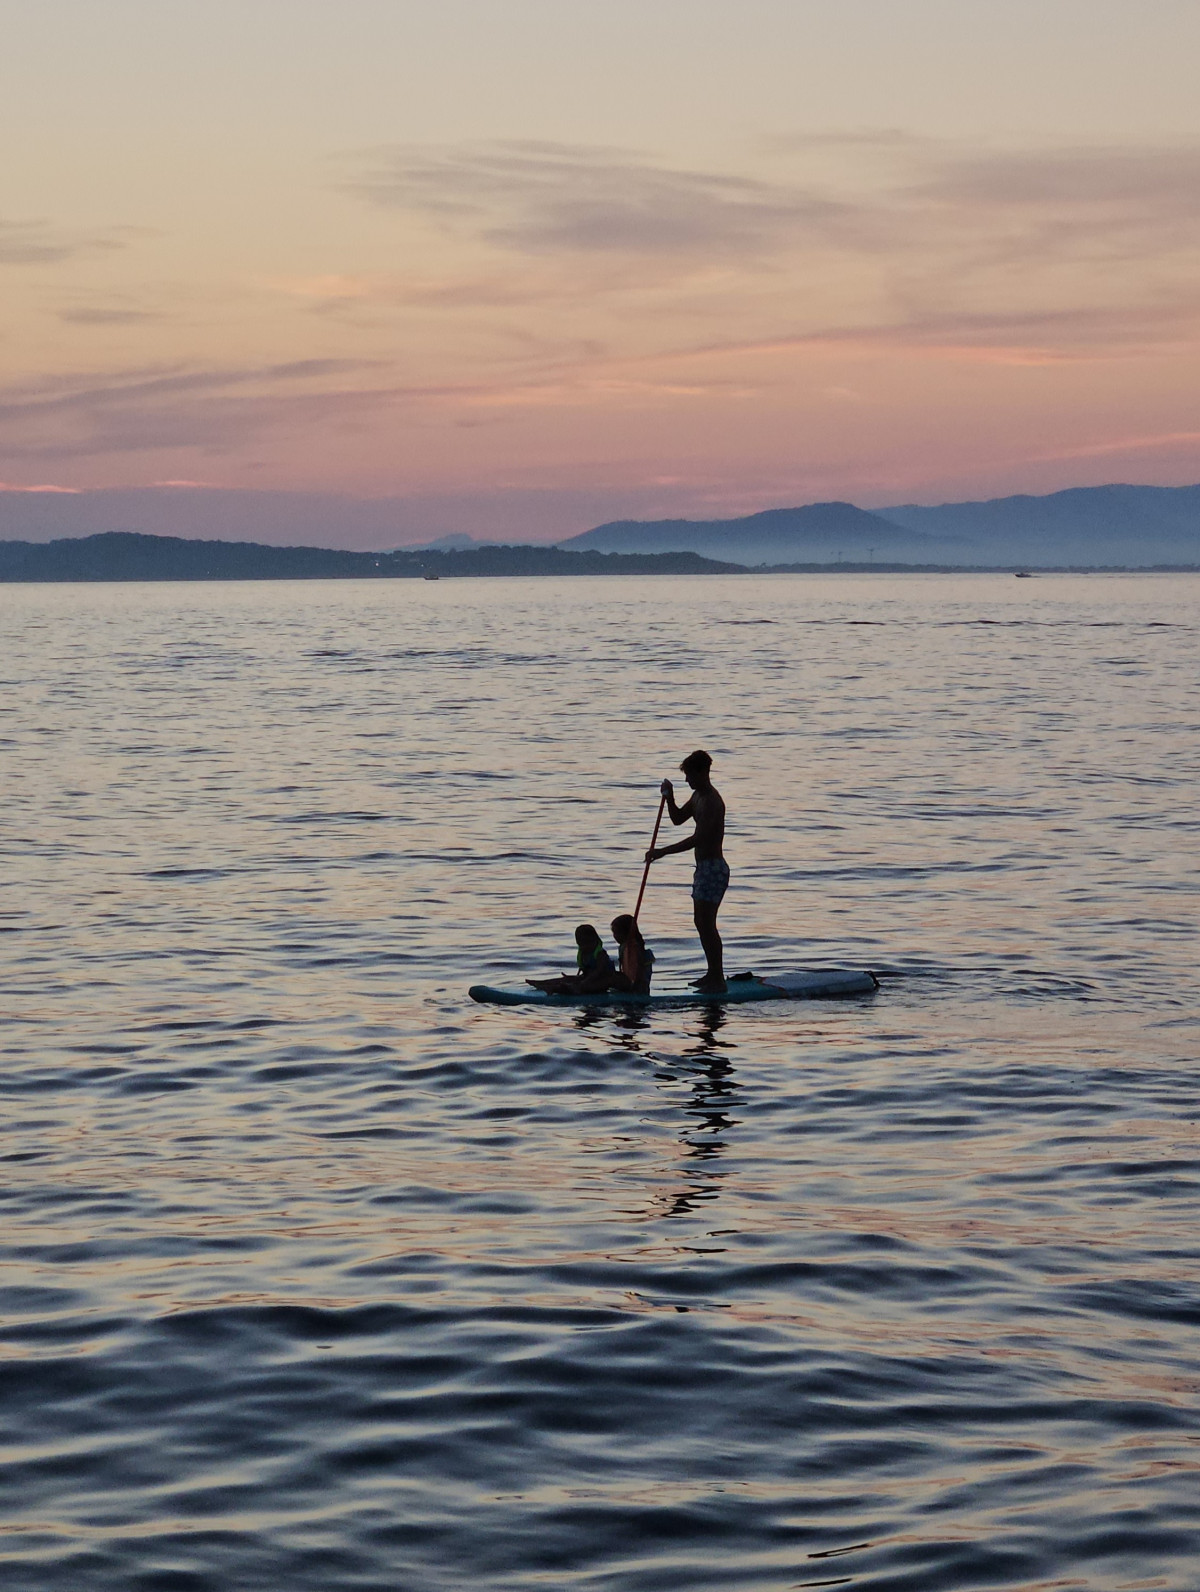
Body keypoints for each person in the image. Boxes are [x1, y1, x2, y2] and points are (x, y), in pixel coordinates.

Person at [646, 749, 728, 993]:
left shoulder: (713, 801)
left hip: (714, 869)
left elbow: (698, 838)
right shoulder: (697, 797)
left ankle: (718, 978)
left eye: (690, 775)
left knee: (707, 923)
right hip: (703, 869)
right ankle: (712, 973)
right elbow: (678, 819)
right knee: (700, 922)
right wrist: (670, 797)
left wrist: (663, 852)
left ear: (704, 772)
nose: (687, 780)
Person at [527, 923, 615, 994]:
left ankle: (555, 989)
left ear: (595, 940)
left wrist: (583, 981)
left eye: (586, 943)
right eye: (581, 944)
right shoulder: (584, 953)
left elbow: (599, 972)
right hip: (588, 979)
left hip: (601, 982)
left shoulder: (600, 954)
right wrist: (576, 977)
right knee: (567, 979)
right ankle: (543, 983)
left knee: (576, 985)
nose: (584, 947)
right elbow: (586, 972)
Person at [609, 914, 654, 995]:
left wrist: (635, 985)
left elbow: (639, 967)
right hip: (630, 982)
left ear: (627, 932)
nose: (615, 936)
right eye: (614, 933)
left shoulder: (634, 947)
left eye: (617, 933)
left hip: (637, 985)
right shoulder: (624, 946)